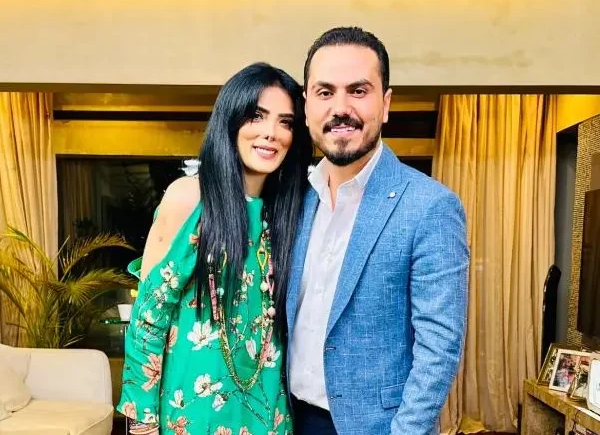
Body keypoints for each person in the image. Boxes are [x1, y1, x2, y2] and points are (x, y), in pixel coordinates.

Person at [286, 27, 469, 435]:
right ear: (307, 104)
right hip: (287, 419)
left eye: (358, 90)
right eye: (325, 91)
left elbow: (439, 347)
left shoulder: (430, 206)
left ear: (385, 104)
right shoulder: (295, 200)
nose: (341, 108)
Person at [117, 62, 313, 435]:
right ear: (231, 120)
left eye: (286, 122)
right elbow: (148, 319)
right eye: (257, 116)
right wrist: (142, 425)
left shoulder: (289, 214)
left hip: (268, 415)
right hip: (192, 414)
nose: (271, 133)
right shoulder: (190, 199)